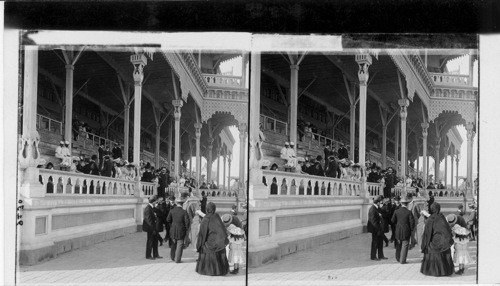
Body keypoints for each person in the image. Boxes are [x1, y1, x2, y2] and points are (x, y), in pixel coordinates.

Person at [420, 202, 455, 277]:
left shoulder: (430, 219)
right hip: (442, 241)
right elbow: (447, 230)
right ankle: (444, 271)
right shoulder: (441, 217)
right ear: (439, 209)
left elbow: (427, 233)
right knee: (443, 251)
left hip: (432, 242)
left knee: (431, 251)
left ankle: (431, 271)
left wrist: (425, 243)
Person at [196, 202, 230, 276]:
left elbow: (202, 234)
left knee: (204, 247)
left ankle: (207, 271)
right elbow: (222, 230)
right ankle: (220, 271)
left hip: (209, 244)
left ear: (207, 209)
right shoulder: (216, 216)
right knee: (218, 249)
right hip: (218, 243)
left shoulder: (205, 219)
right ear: (214, 209)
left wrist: (199, 245)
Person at [391, 195, 415, 264]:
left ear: (401, 203)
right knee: (405, 245)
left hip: (398, 229)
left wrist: (398, 224)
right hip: (406, 230)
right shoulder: (409, 212)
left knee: (398, 244)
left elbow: (392, 221)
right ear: (407, 204)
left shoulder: (396, 211)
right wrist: (411, 229)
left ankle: (398, 258)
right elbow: (412, 223)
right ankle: (402, 260)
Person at [166, 194, 190, 263]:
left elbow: (168, 219)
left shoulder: (172, 210)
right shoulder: (184, 212)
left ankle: (172, 257)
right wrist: (186, 229)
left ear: (176, 203)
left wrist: (172, 225)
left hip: (173, 229)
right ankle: (177, 259)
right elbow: (187, 222)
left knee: (173, 243)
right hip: (181, 229)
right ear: (182, 204)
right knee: (180, 244)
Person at [367, 195, 387, 261]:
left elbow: (383, 213)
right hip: (375, 229)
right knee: (375, 243)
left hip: (379, 228)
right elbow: (373, 222)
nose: (381, 203)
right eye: (380, 202)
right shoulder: (372, 209)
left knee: (380, 242)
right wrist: (378, 229)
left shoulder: (377, 208)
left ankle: (381, 255)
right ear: (378, 202)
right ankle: (373, 256)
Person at [143, 195, 161, 260]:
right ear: (153, 202)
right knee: (150, 242)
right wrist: (153, 229)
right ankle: (148, 255)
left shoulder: (152, 207)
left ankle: (156, 254)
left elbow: (159, 212)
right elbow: (149, 221)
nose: (156, 203)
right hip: (150, 228)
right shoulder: (148, 208)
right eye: (156, 201)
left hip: (154, 227)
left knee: (155, 241)